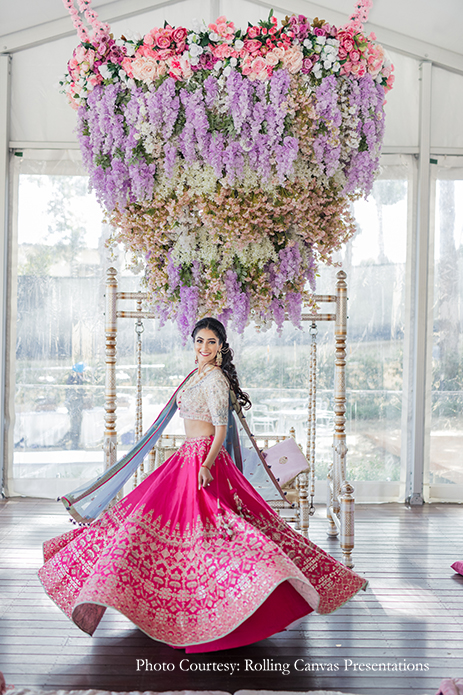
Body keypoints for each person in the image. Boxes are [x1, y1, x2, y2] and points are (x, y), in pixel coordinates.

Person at [38, 317, 367, 652]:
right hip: (185, 458)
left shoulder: (215, 380)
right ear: (192, 343)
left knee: (212, 533)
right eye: (199, 341)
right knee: (143, 523)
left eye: (211, 342)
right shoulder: (195, 376)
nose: (204, 348)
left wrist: (207, 465)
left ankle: (230, 605)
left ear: (221, 347)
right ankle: (176, 609)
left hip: (204, 462)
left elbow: (220, 430)